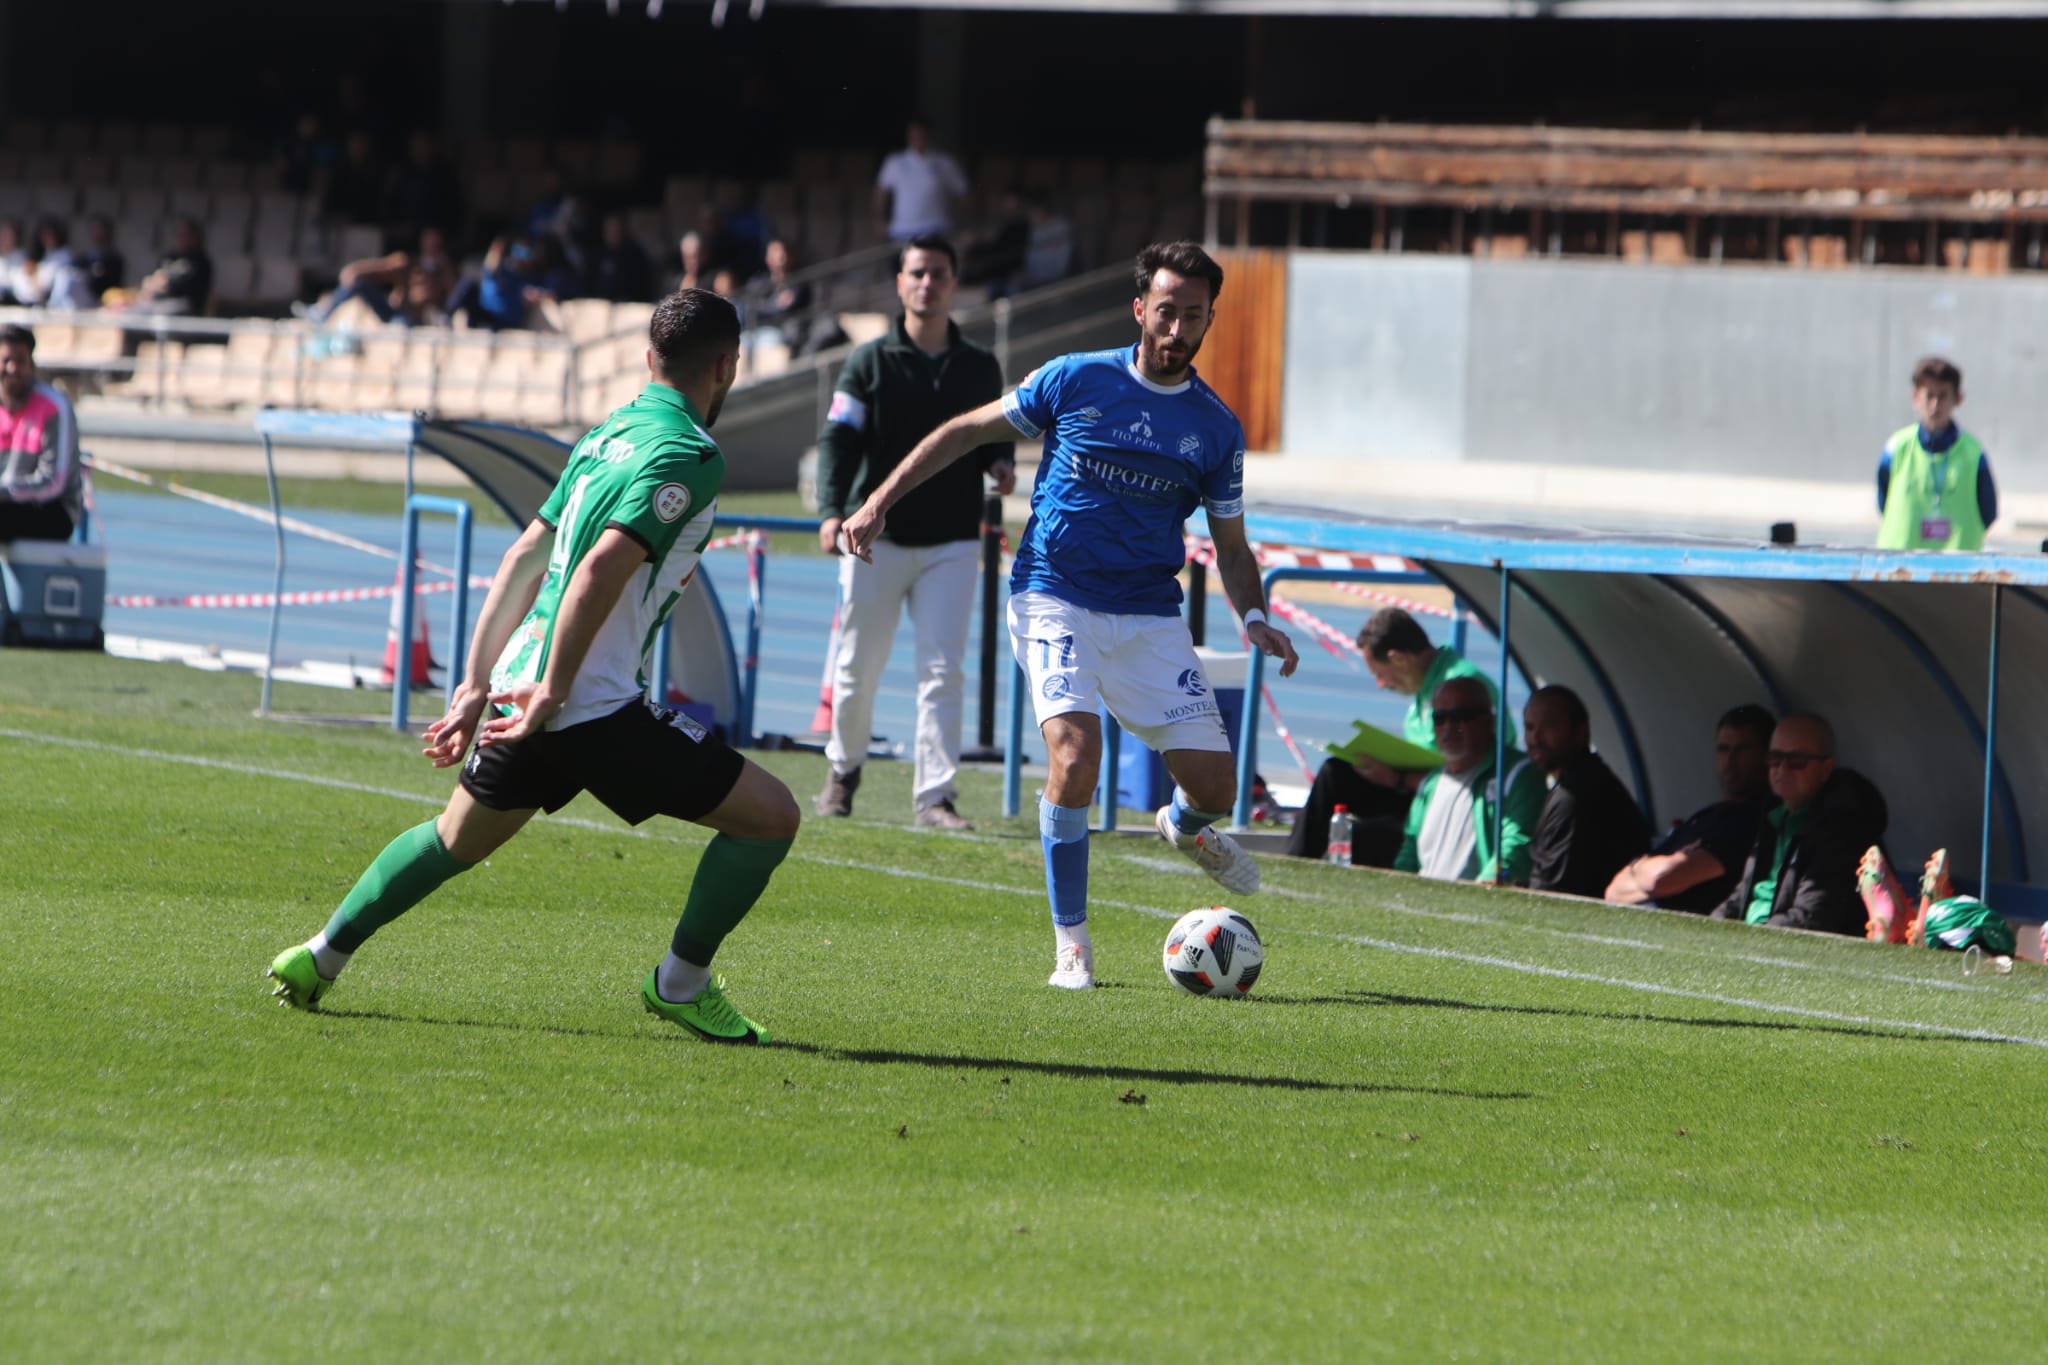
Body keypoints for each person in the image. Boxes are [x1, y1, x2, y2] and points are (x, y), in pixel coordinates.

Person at [266, 288, 795, 1044]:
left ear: (649, 358)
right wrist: (553, 691)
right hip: (586, 703)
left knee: (456, 839)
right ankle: (680, 982)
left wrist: (478, 683)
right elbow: (598, 570)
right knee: (771, 819)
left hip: (525, 687)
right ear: (727, 366)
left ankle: (319, 956)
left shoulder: (605, 434)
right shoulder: (691, 453)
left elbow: (523, 556)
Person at [842, 241, 1300, 989]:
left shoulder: (1215, 429)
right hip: (1053, 593)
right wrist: (877, 501)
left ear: (1211, 317)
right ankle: (1073, 946)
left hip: (1149, 614)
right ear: (1138, 310)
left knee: (1216, 787)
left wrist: (1252, 617)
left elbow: (1234, 545)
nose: (1178, 328)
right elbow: (963, 431)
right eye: (1165, 311)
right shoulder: (1076, 378)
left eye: (1194, 315)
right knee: (1075, 756)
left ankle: (1183, 826)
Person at [812, 236, 1015, 829]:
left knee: (942, 669)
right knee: (857, 664)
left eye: (939, 273)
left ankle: (935, 796)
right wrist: (830, 511)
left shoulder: (980, 366)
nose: (928, 283)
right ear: (900, 283)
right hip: (874, 543)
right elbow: (838, 440)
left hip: (952, 540)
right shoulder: (867, 362)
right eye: (917, 272)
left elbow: (992, 436)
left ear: (954, 283)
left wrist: (999, 465)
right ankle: (843, 772)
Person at [1287, 606, 1511, 867]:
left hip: (1458, 802)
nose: (1381, 684)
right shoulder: (1427, 686)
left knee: (1362, 836)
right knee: (1334, 773)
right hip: (1416, 789)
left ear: (1399, 659)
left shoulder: (1458, 688)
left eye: (1379, 674)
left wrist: (1397, 779)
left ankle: (1303, 862)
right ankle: (1295, 862)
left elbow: (1473, 776)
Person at [1711, 713, 1888, 935]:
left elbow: (1812, 917)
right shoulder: (1773, 816)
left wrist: (1746, 937)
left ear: (1826, 768)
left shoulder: (1841, 828)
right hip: (1757, 937)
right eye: (1775, 758)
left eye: (1797, 761)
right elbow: (1743, 894)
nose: (1782, 769)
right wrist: (1712, 927)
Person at [1605, 703, 1774, 913]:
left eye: (1742, 750)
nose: (1730, 761)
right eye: (1723, 749)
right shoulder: (1708, 815)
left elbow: (1661, 880)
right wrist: (1641, 869)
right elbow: (1613, 891)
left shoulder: (1748, 820)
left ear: (1766, 756)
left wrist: (1637, 869)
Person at [1393, 676, 1546, 884]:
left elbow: (1517, 847)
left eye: (1460, 716)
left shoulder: (1517, 773)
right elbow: (1408, 855)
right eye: (1439, 718)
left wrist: (1488, 888)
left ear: (1488, 721)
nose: (1448, 726)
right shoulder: (1430, 783)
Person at [1521, 684, 1650, 897]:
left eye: (1549, 726)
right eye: (1529, 727)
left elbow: (1551, 894)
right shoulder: (1586, 780)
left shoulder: (1576, 796)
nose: (1535, 738)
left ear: (1581, 731)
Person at [1876, 355, 1996, 551]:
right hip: (1899, 570)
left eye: (1943, 396)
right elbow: (1883, 503)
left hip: (1959, 572)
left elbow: (1988, 512)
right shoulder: (1897, 447)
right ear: (1915, 397)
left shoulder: (1973, 454)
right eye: (1929, 395)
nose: (1935, 405)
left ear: (1958, 398)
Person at [0, 325, 85, 543]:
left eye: (20, 361)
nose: (12, 369)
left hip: (51, 508)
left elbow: (55, 482)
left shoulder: (54, 405)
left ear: (31, 364)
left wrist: (6, 491)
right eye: (6, 360)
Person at [296, 226, 455, 327]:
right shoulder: (411, 262)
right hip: (395, 310)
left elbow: (452, 294)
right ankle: (322, 312)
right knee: (359, 284)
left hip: (415, 318)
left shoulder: (443, 271)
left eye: (434, 243)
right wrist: (355, 270)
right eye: (428, 241)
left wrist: (444, 268)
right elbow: (382, 267)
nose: (430, 246)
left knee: (403, 324)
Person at [873, 117, 969, 243]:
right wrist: (880, 222)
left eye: (921, 134)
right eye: (914, 134)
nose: (917, 138)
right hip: (902, 232)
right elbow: (881, 194)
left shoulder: (944, 163)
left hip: (935, 231)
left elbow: (962, 192)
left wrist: (956, 221)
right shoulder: (895, 162)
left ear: (928, 135)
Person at [129, 218, 214, 315]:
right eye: (178, 233)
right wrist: (150, 285)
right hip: (158, 300)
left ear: (194, 236)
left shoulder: (200, 261)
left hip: (184, 304)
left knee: (157, 313)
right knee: (132, 310)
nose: (180, 237)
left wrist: (165, 284)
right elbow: (154, 277)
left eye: (185, 234)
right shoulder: (168, 257)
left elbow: (188, 288)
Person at [588, 213, 656, 303]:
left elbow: (641, 283)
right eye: (609, 230)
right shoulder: (599, 255)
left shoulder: (634, 253)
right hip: (603, 304)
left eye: (616, 229)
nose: (612, 233)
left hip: (630, 303)